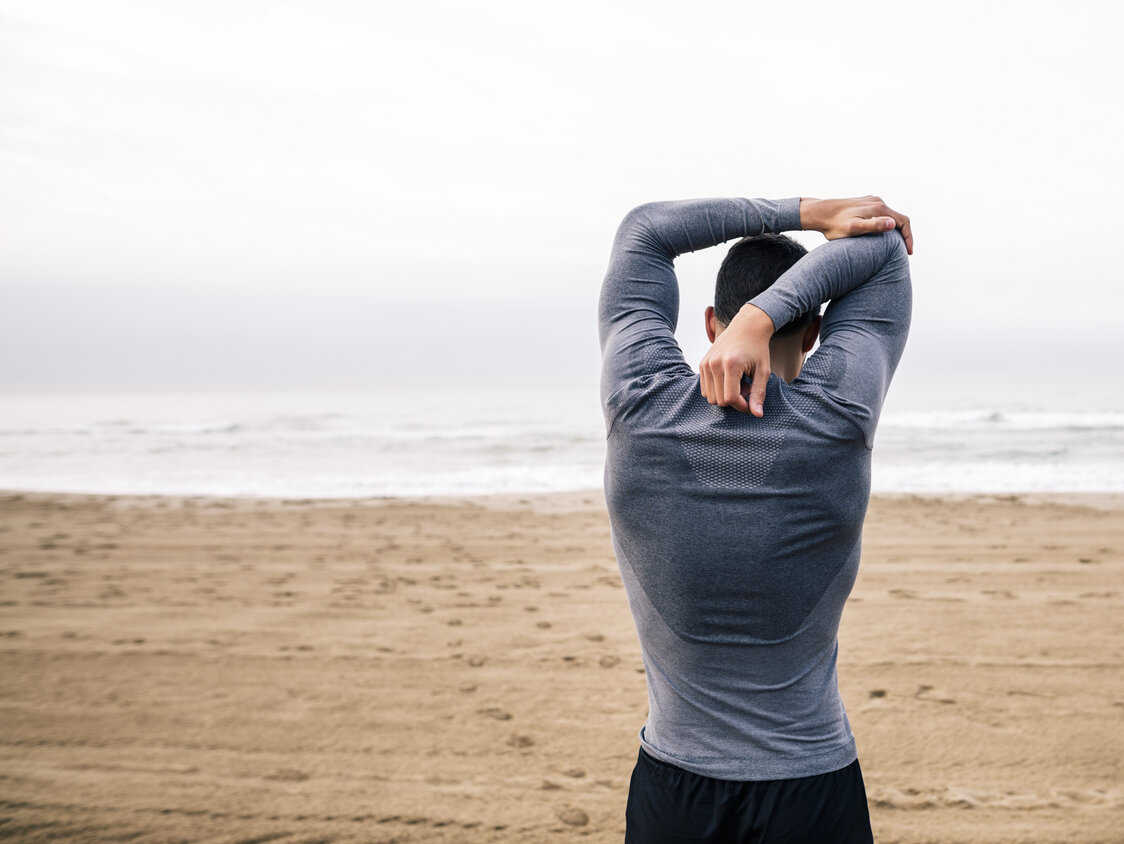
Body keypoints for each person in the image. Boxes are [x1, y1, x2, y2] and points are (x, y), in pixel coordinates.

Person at [597, 194, 913, 843]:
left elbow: (646, 231)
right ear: (818, 330)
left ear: (710, 321)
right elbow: (884, 249)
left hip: (674, 791)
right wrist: (764, 318)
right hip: (811, 788)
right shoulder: (838, 420)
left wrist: (809, 211)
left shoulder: (639, 404)